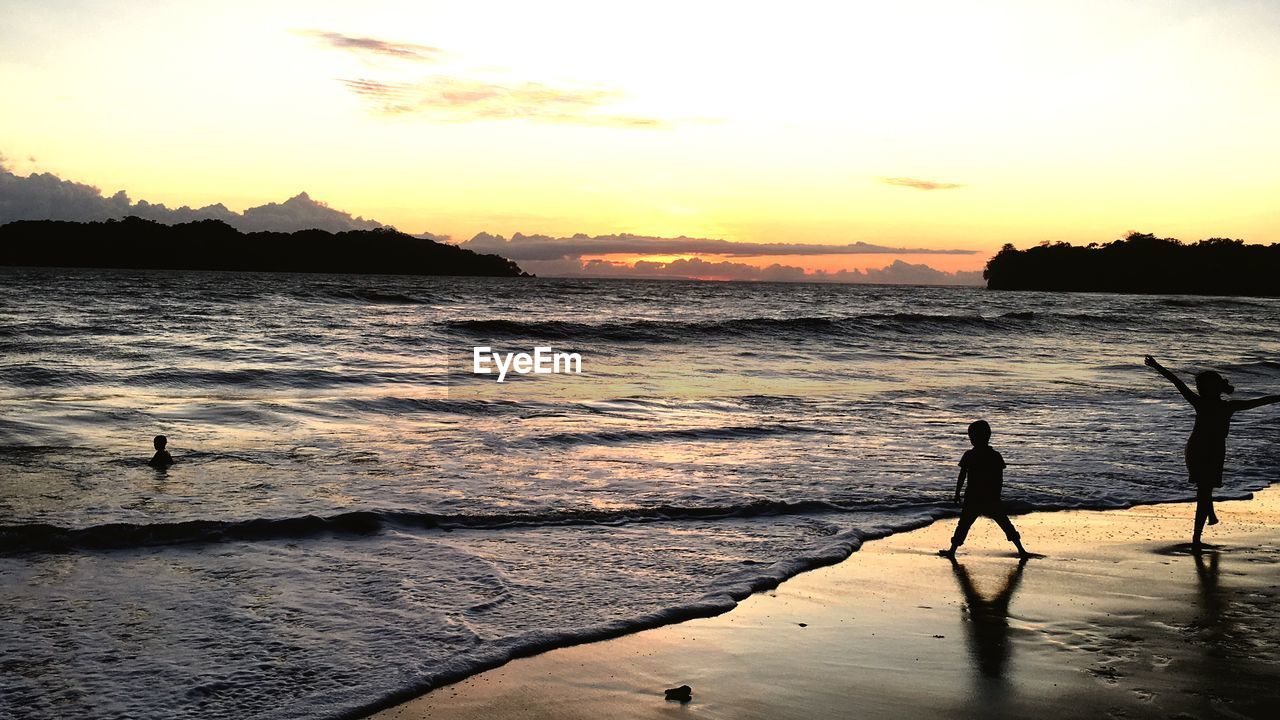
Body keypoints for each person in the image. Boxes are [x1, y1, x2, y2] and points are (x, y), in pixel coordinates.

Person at [1144, 356, 1280, 551]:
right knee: (1203, 491)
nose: (1200, 389)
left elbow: (1260, 401)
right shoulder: (1202, 403)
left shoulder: (1226, 406)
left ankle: (1210, 516)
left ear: (1214, 387)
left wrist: (1278, 397)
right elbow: (1177, 382)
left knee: (1205, 490)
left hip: (1215, 451)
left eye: (1205, 385)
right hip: (1198, 449)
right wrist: (1157, 366)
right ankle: (1197, 537)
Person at [941, 420, 1030, 558]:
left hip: (973, 497)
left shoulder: (970, 455)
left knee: (964, 524)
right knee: (1004, 523)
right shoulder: (995, 455)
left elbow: (962, 475)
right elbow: (999, 478)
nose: (971, 439)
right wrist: (996, 494)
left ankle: (952, 551)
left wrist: (957, 493)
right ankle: (1021, 550)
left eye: (972, 436)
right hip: (990, 497)